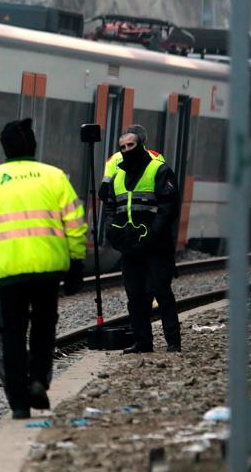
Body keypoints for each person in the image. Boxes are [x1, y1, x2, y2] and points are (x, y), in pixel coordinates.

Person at [0, 118, 87, 419]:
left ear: (4, 147)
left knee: (13, 335)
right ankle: (38, 380)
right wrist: (76, 263)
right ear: (33, 144)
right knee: (44, 328)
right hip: (47, 270)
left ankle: (19, 401)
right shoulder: (55, 177)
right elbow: (75, 224)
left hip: (7, 273)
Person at [103, 130, 181, 353]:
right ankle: (142, 341)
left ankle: (173, 342)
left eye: (131, 145)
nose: (127, 150)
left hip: (156, 246)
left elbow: (168, 206)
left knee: (161, 291)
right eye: (123, 147)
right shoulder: (118, 176)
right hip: (130, 246)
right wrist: (113, 232)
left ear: (141, 146)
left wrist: (152, 233)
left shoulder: (159, 169)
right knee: (135, 295)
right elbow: (111, 205)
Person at [100, 124, 163, 199]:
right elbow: (163, 188)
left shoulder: (112, 159)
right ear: (145, 140)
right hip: (146, 205)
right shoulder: (156, 156)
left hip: (121, 205)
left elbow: (103, 192)